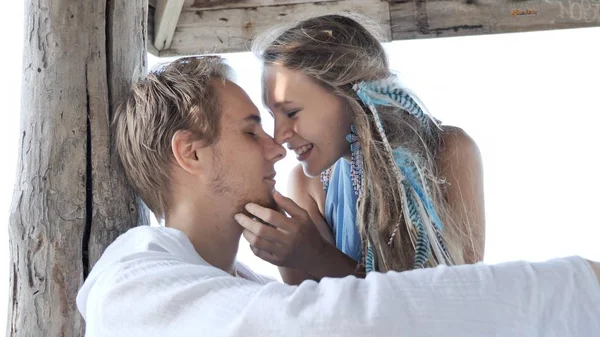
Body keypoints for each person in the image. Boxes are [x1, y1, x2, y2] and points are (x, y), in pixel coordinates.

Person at [76, 56, 600, 337]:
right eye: (250, 130)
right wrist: (579, 285)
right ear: (190, 153)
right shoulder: (133, 278)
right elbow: (331, 320)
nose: (277, 150)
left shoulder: (234, 286)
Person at [240, 14, 485, 284]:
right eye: (274, 117)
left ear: (350, 95)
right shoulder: (307, 184)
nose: (279, 136)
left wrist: (316, 254)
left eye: (291, 112)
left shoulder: (449, 151)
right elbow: (312, 304)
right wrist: (286, 254)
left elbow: (462, 291)